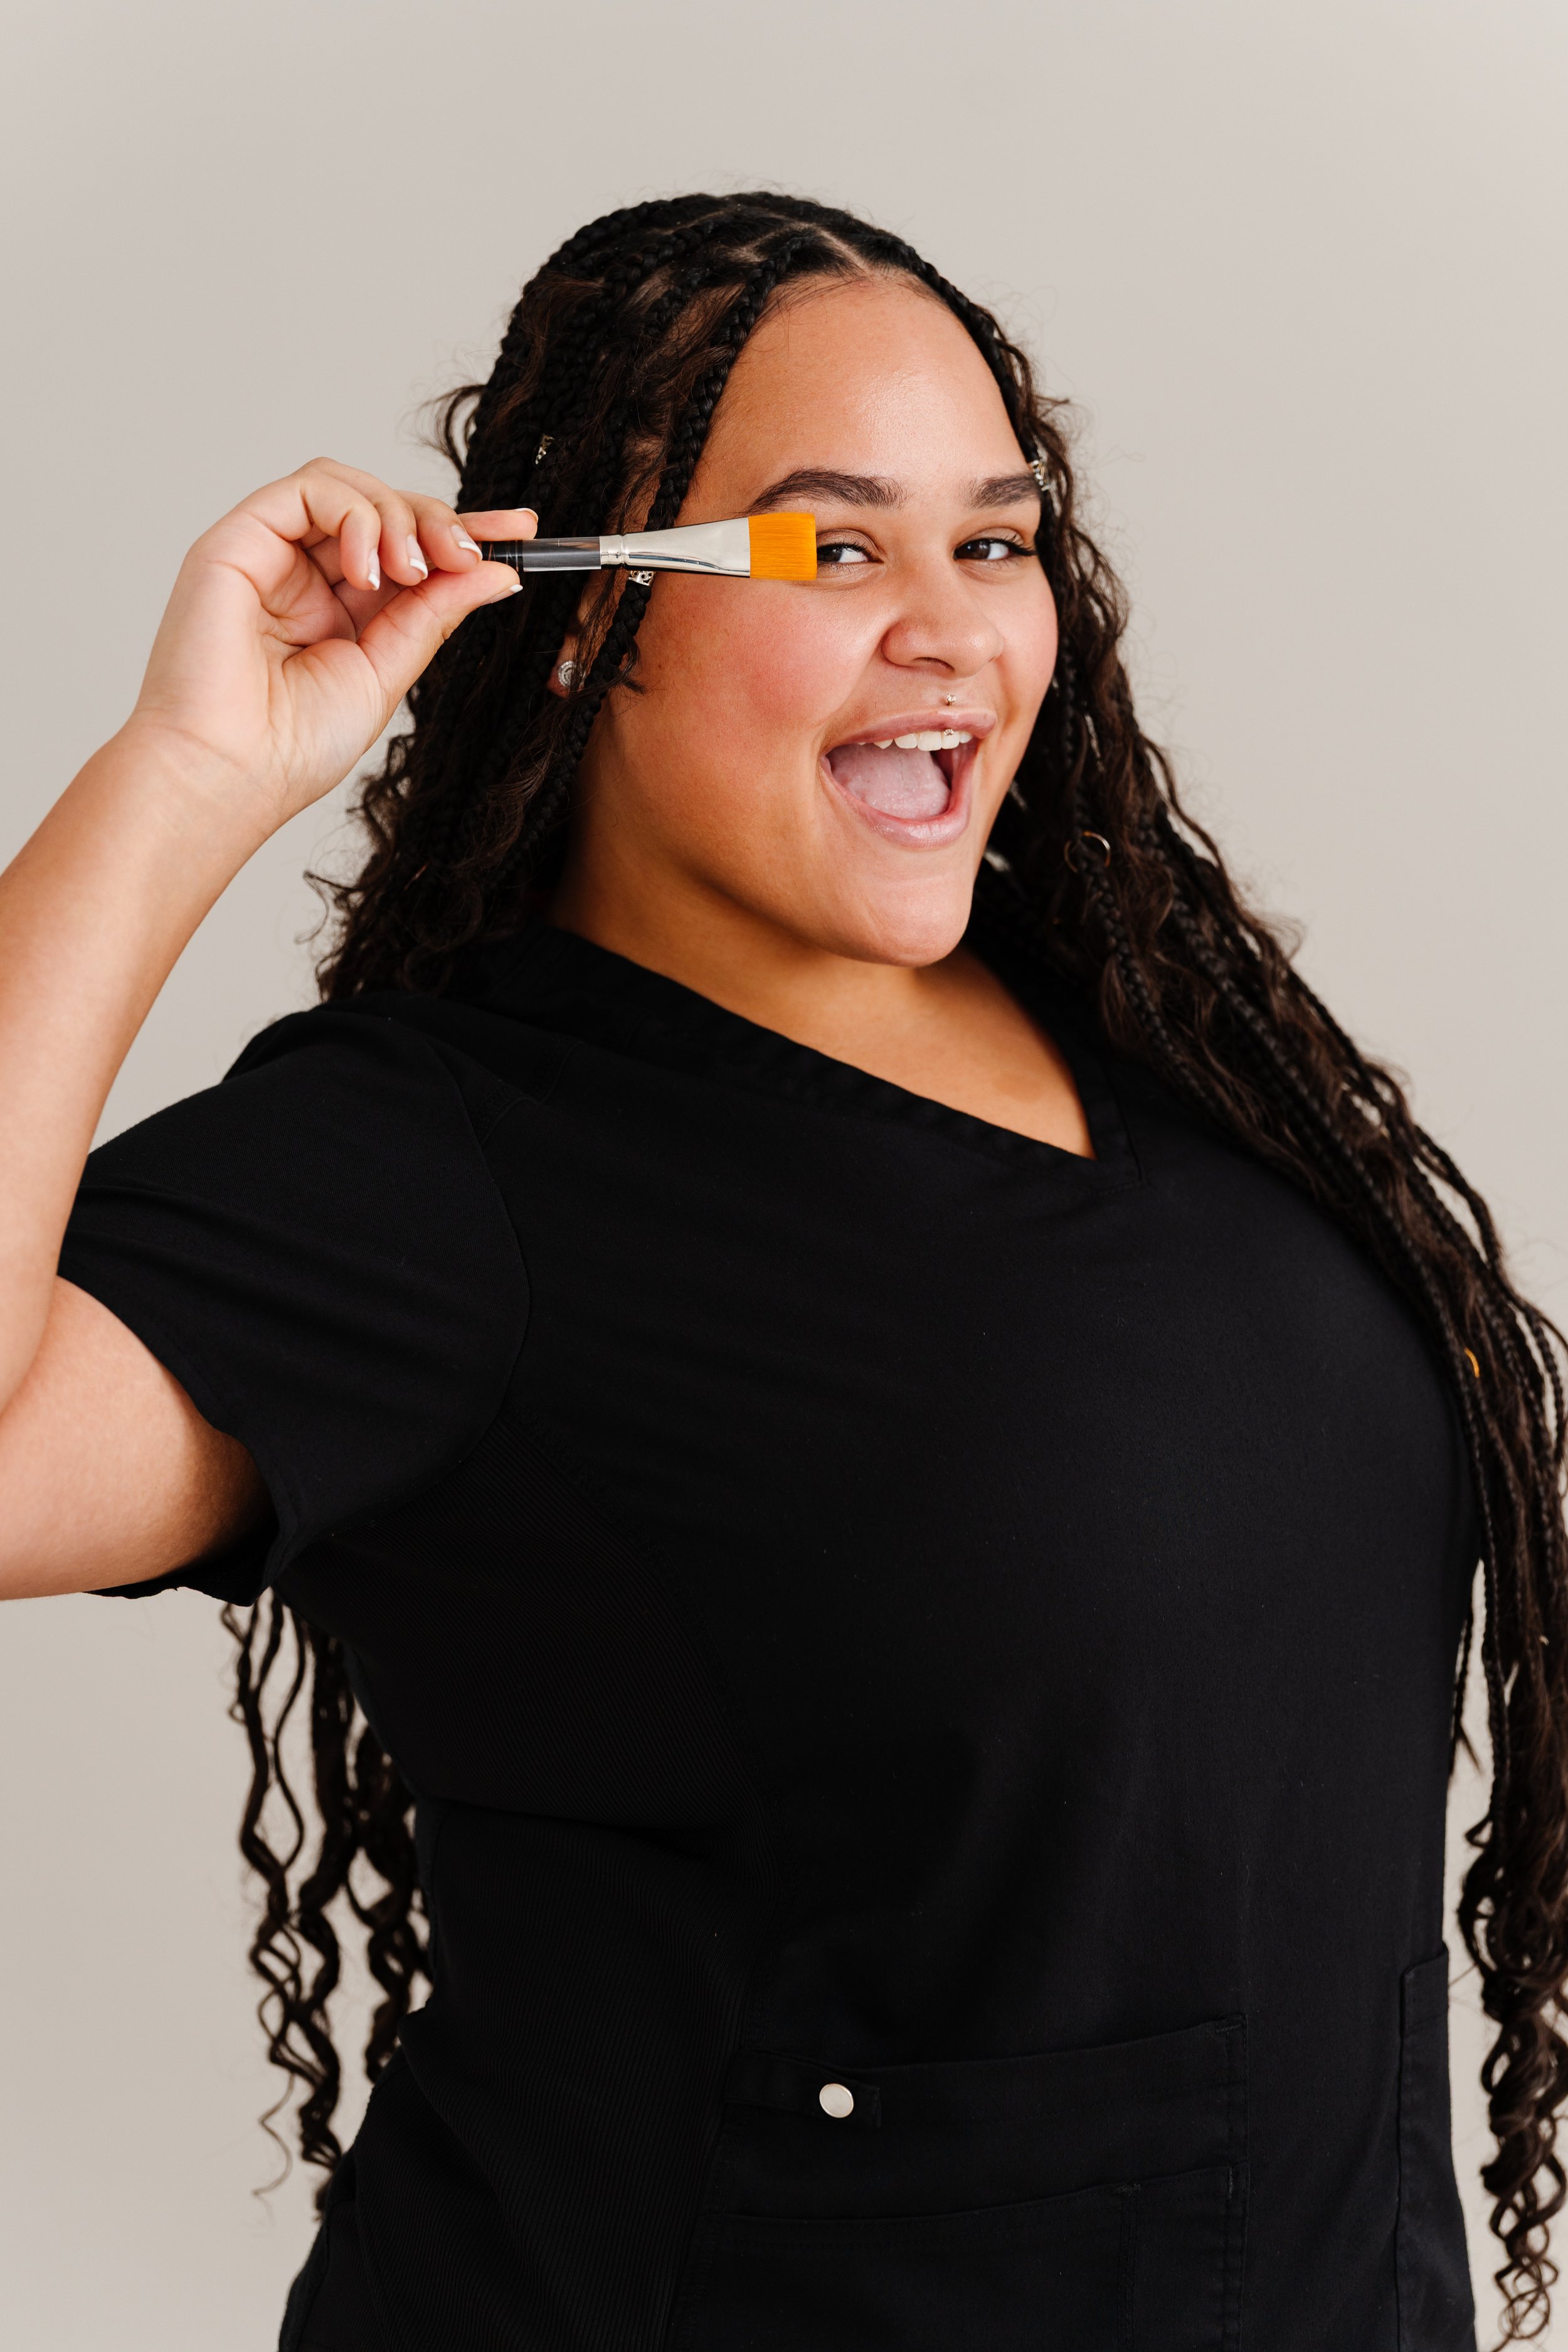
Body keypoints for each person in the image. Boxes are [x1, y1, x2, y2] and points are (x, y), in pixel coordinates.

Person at [0, 191, 1559, 2352]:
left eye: (992, 542)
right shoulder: (436, 1167)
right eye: (832, 551)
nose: (945, 624)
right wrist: (179, 783)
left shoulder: (1172, 1070)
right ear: (579, 617)